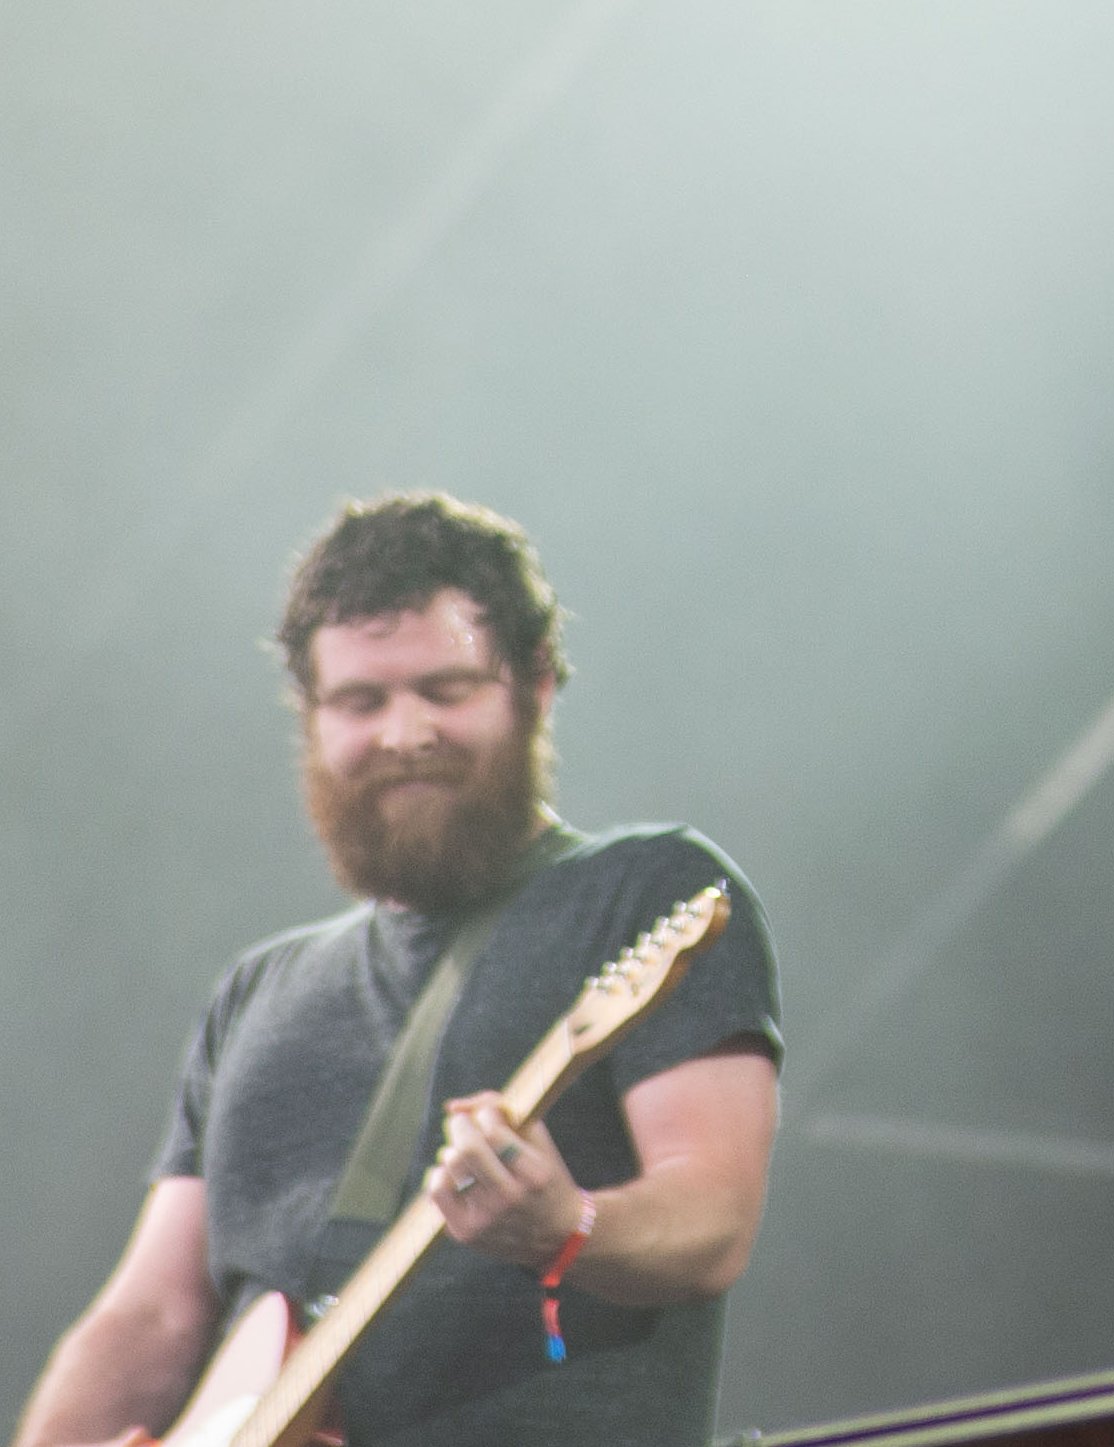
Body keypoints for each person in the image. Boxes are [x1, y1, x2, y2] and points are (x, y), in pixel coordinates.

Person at [13, 495, 781, 1447]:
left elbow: (711, 1216)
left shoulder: (647, 894)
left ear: (534, 686)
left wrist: (566, 1222)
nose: (404, 731)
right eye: (362, 700)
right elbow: (151, 1315)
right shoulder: (260, 991)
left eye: (446, 689)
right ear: (312, 717)